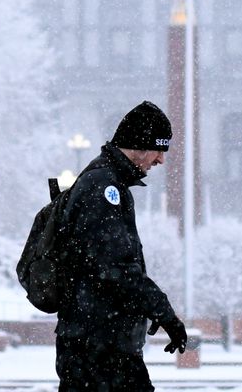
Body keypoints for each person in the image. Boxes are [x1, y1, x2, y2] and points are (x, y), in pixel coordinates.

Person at [54, 100, 190, 391]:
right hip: (99, 349)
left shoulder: (104, 181)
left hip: (99, 343)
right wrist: (164, 313)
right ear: (139, 147)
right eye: (158, 150)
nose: (161, 160)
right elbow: (114, 268)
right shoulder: (104, 188)